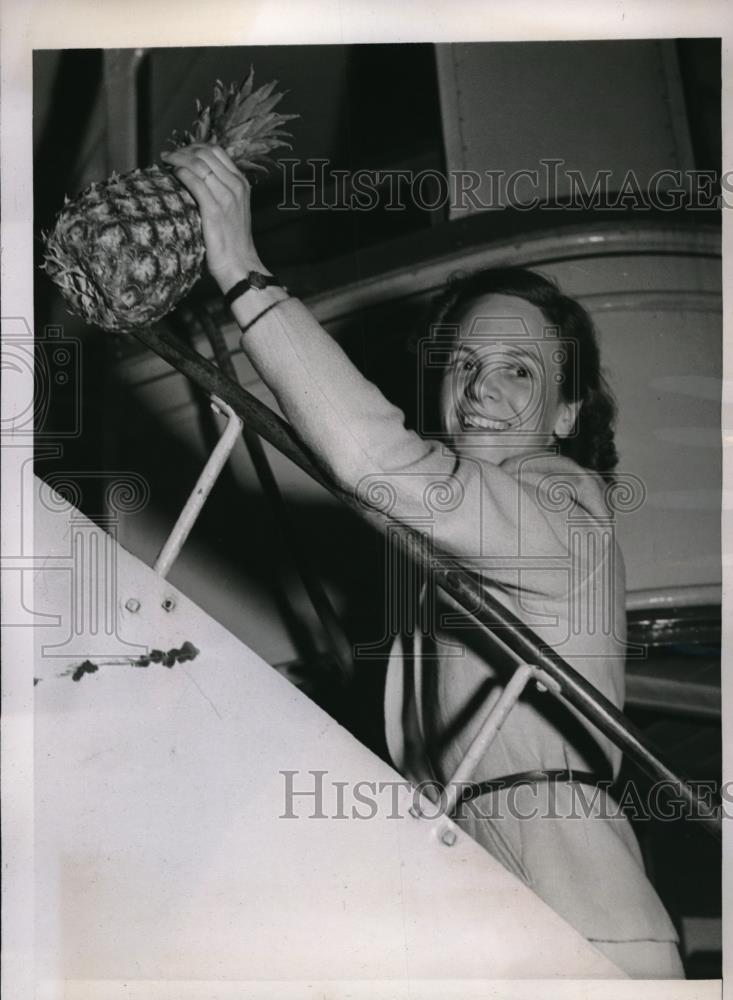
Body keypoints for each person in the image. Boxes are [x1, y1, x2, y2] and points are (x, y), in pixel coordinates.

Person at [162, 143, 684, 978]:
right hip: (459, 870)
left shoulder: (565, 504)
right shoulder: (456, 531)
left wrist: (243, 272)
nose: (480, 387)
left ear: (566, 412)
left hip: (568, 897)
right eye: (462, 363)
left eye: (520, 370)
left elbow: (378, 462)